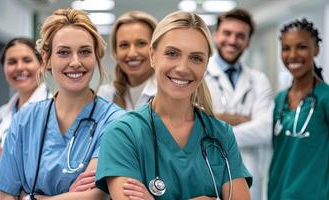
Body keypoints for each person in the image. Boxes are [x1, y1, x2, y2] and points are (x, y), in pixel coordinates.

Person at [96, 10, 252, 200]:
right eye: (172, 54)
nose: (183, 68)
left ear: (205, 65)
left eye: (196, 58)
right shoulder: (123, 134)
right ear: (153, 55)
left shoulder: (221, 134)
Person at [0, 8, 124, 199]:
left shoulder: (115, 122)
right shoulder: (24, 120)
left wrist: (30, 197)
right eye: (63, 52)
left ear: (97, 56)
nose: (75, 62)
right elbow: (4, 194)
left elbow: (94, 196)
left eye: (85, 51)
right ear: (47, 59)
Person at [204, 8, 273, 199]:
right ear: (216, 35)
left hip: (248, 176)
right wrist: (237, 120)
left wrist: (216, 123)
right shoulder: (199, 75)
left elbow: (266, 129)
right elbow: (192, 123)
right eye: (227, 33)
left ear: (248, 42)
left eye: (240, 36)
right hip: (207, 174)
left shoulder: (259, 80)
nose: (232, 41)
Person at [0, 37, 50, 200]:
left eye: (27, 60)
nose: (19, 67)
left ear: (42, 64)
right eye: (12, 62)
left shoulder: (52, 111)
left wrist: (6, 159)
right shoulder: (0, 115)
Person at [268, 18, 329, 200]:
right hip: (277, 193)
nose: (292, 55)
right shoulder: (280, 99)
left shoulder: (325, 98)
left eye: (301, 47)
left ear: (316, 49)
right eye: (286, 48)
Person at [98, 11, 157, 110]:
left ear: (155, 49)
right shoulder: (106, 95)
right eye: (124, 45)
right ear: (115, 52)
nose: (132, 54)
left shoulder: (169, 91)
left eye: (141, 43)